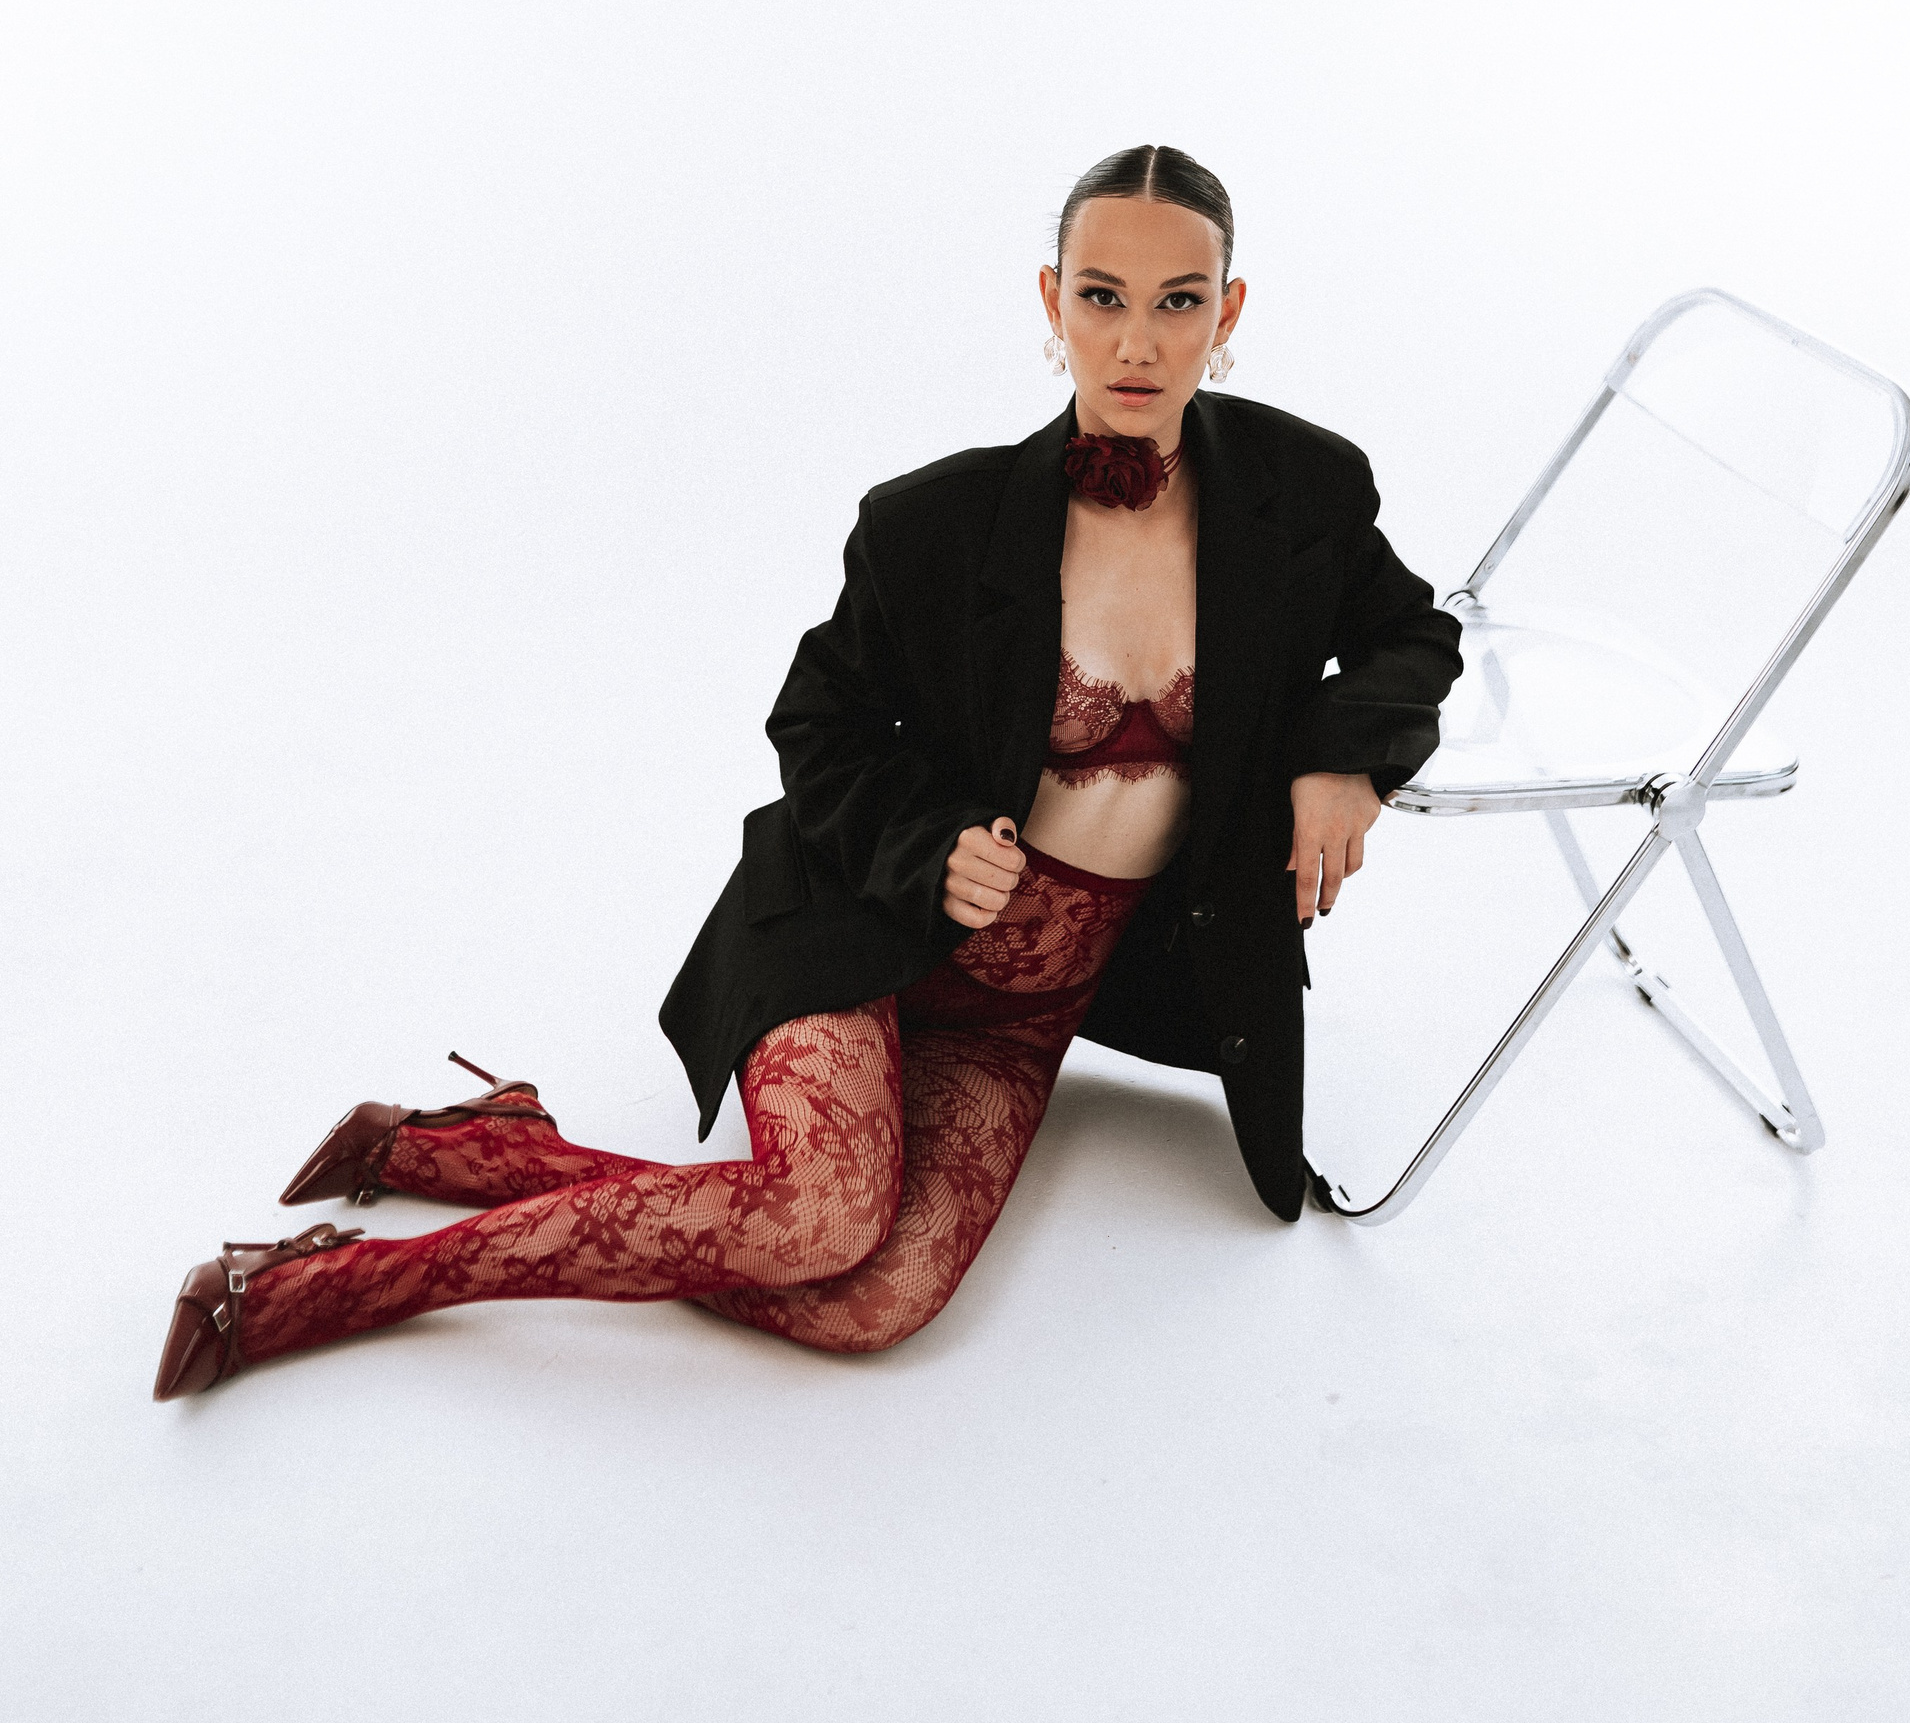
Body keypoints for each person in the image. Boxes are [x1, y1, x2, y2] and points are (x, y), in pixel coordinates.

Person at [153, 144, 1461, 1394]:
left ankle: (491, 1150)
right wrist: (929, 845)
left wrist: (1344, 760)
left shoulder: (1304, 492)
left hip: (1016, 1023)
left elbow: (1417, 634)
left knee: (870, 1302)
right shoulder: (932, 523)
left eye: (1177, 302)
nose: (1136, 342)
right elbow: (817, 727)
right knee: (815, 1218)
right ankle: (330, 1286)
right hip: (860, 937)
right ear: (1050, 301)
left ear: (1228, 311)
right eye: (1103, 297)